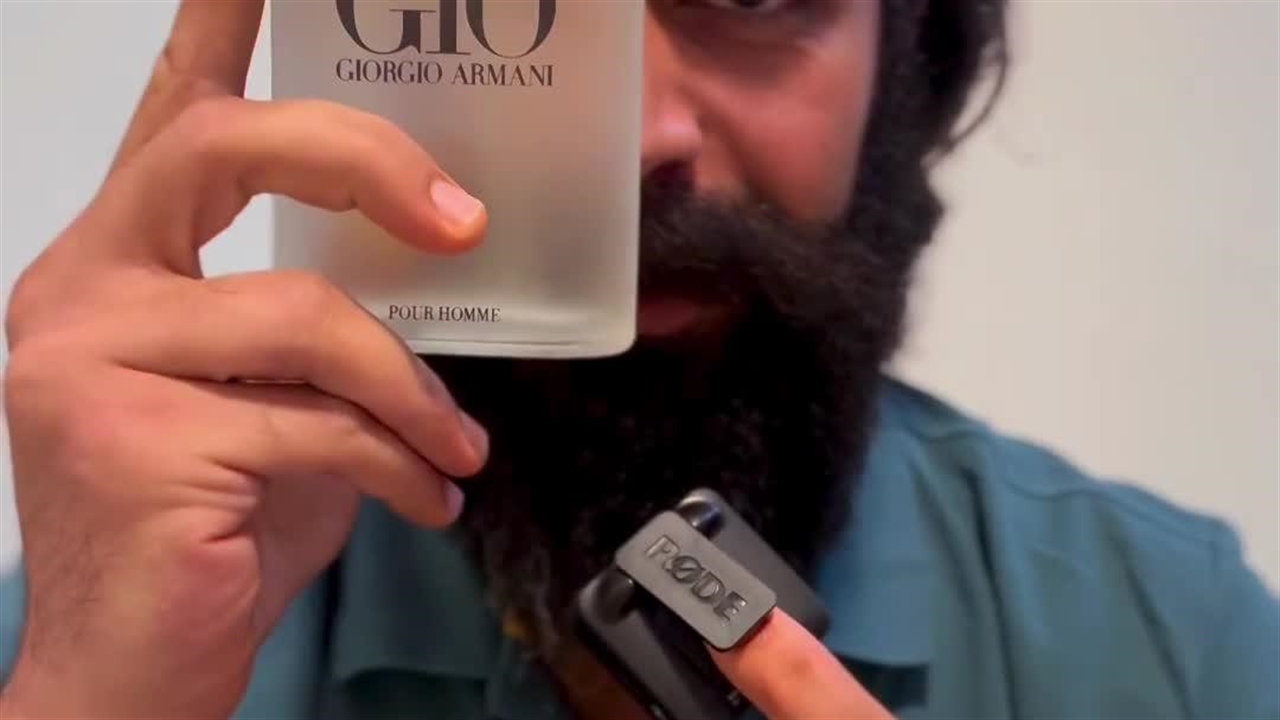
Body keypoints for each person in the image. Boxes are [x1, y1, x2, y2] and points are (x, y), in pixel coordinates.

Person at [0, 0, 1277, 718]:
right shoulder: (105, 624)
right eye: (522, 10)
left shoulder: (1171, 647)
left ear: (907, 57)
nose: (636, 140)